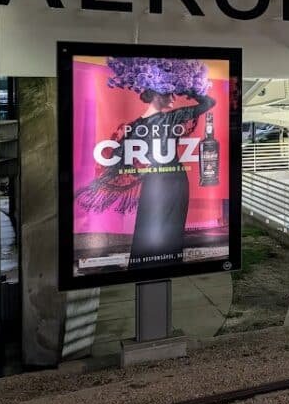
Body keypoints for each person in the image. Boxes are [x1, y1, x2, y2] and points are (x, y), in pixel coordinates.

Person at [77, 58, 215, 270]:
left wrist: (186, 85)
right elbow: (118, 159)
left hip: (167, 181)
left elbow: (208, 103)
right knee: (154, 225)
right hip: (165, 180)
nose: (174, 97)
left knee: (164, 226)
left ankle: (160, 266)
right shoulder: (149, 123)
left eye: (174, 91)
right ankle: (154, 267)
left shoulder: (153, 121)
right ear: (157, 94)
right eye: (170, 92)